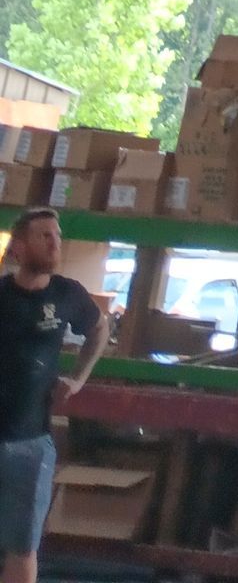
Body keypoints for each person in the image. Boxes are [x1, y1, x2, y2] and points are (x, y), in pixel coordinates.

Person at [1, 207, 109, 583]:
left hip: (31, 442)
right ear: (18, 247)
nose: (54, 243)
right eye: (43, 236)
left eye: (57, 235)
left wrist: (79, 377)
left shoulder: (67, 294)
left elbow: (99, 328)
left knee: (22, 544)